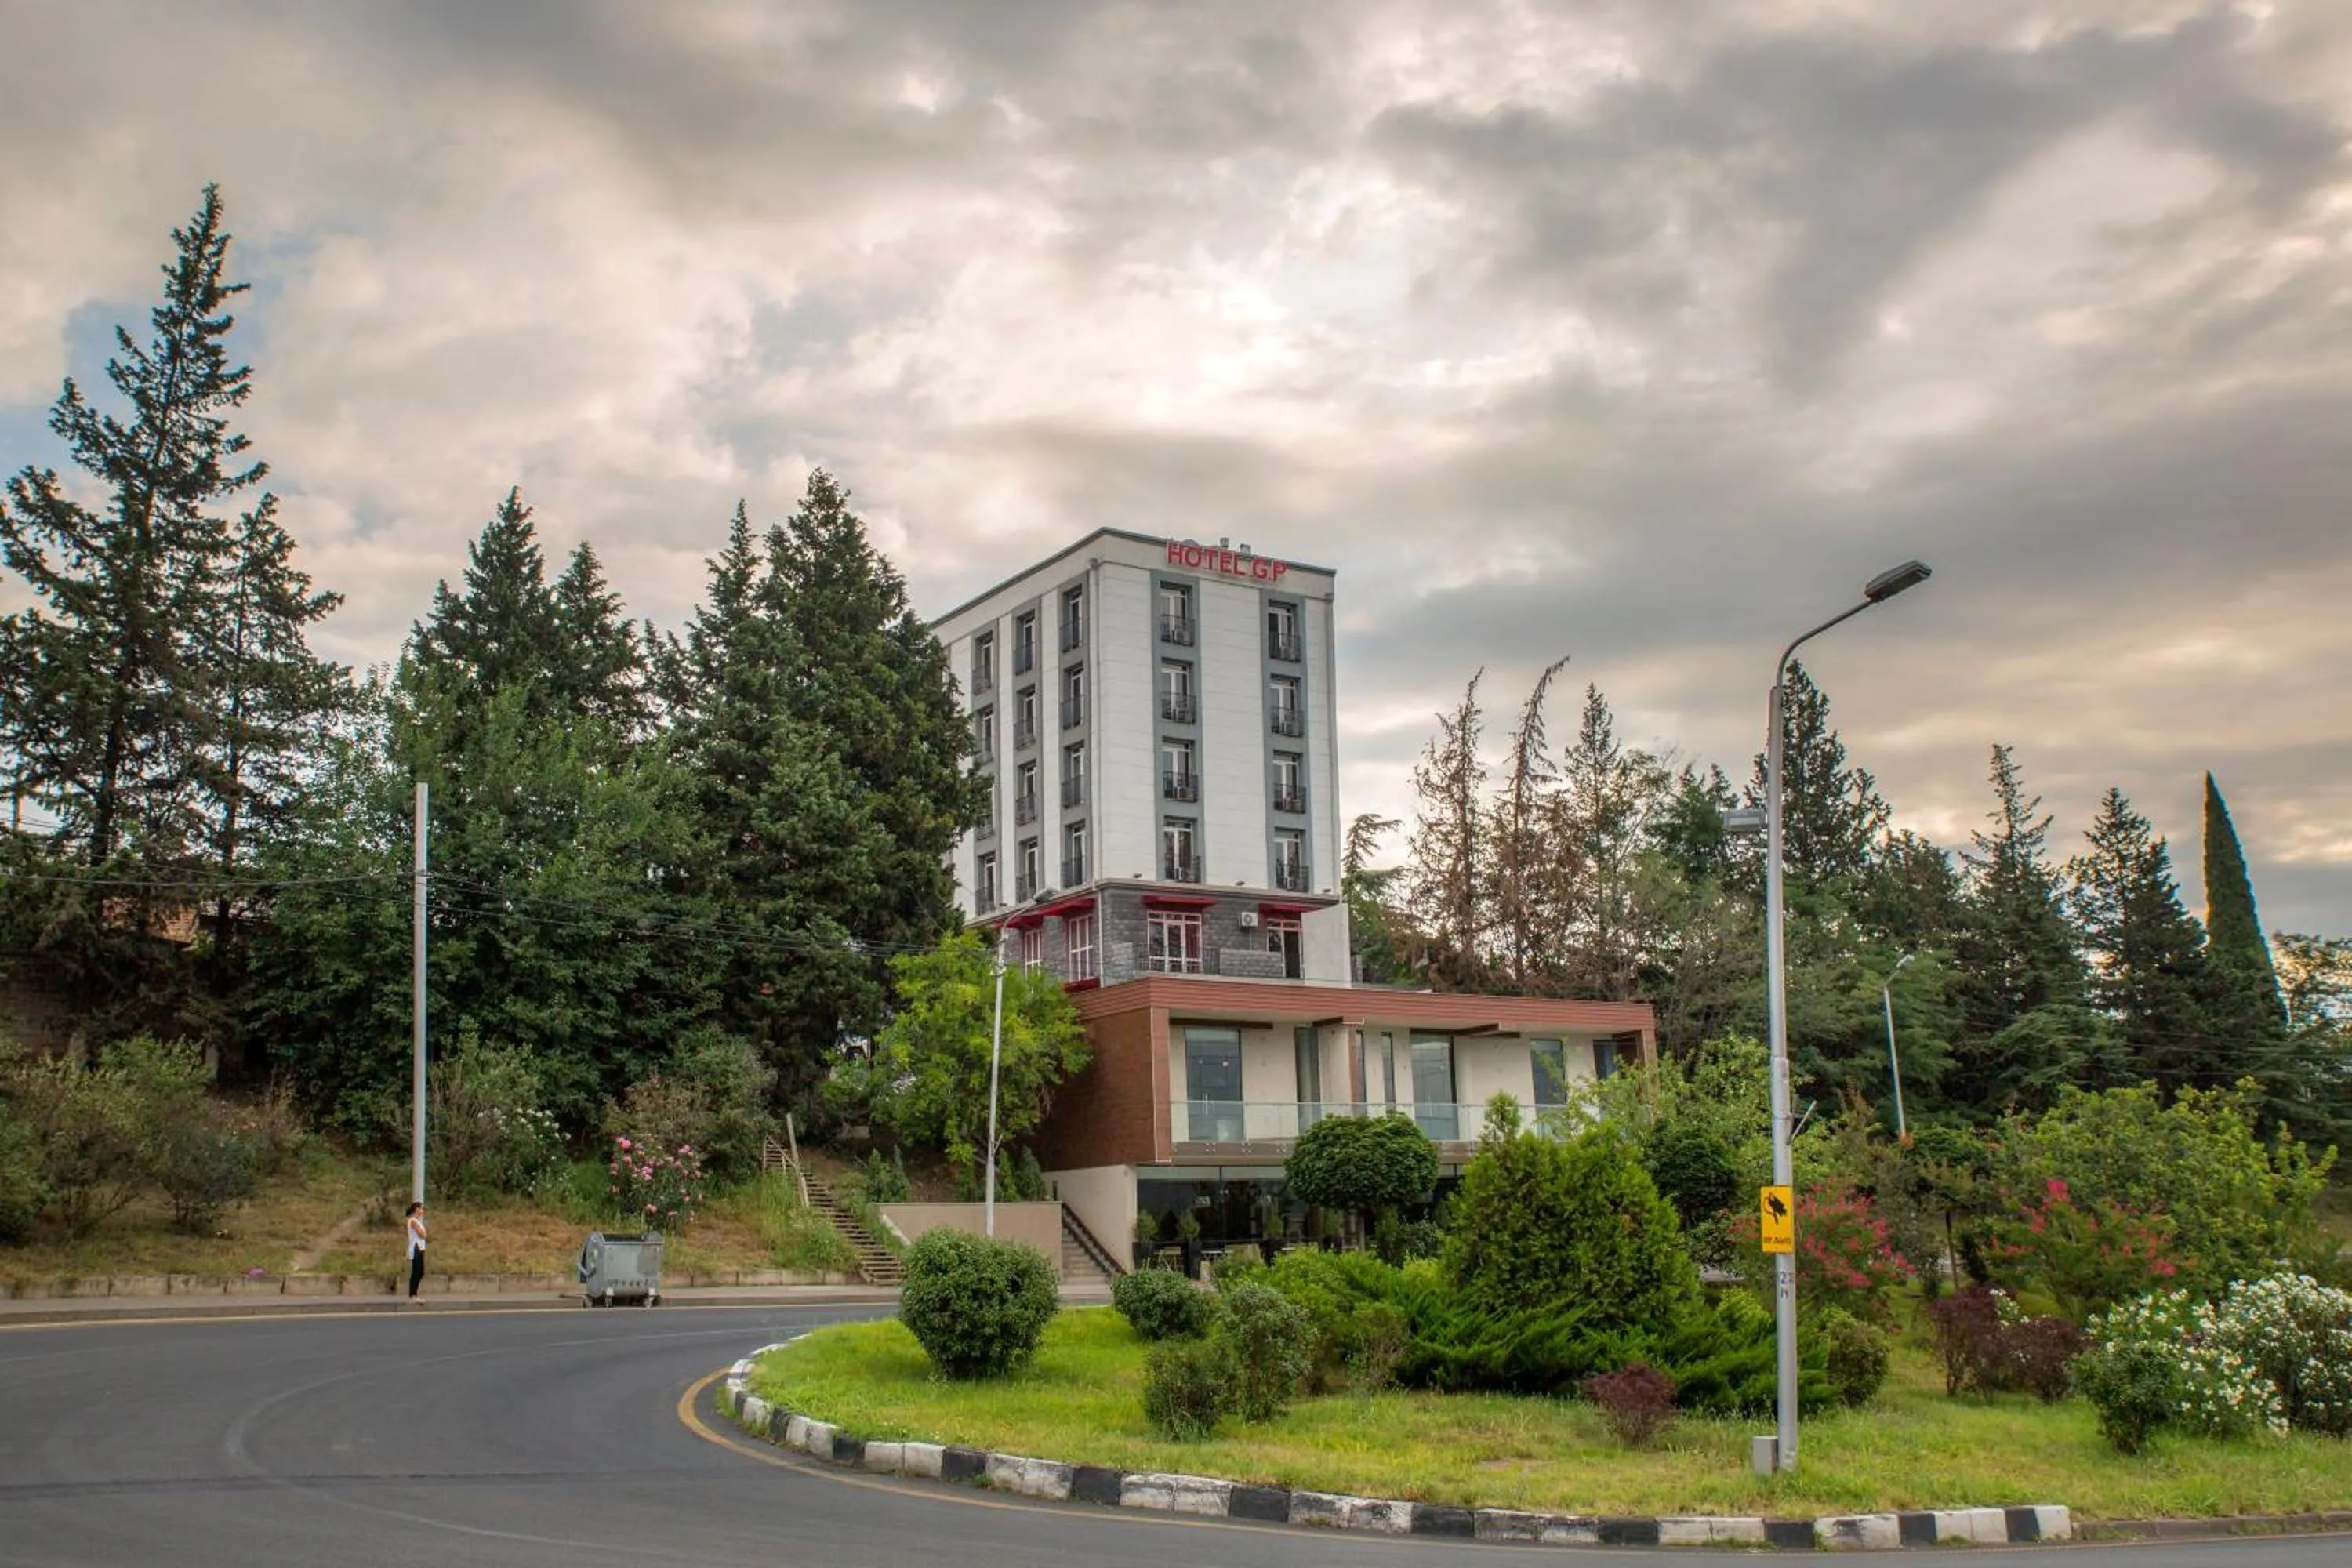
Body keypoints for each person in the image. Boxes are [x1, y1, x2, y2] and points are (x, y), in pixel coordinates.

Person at [405, 1201, 427, 1300]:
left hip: (420, 1248)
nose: (423, 1211)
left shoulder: (417, 1221)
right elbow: (422, 1234)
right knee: (417, 1271)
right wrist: (424, 1234)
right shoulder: (413, 1220)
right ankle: (413, 1295)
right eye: (421, 1208)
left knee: (421, 1271)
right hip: (416, 1248)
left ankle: (414, 1294)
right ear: (416, 1209)